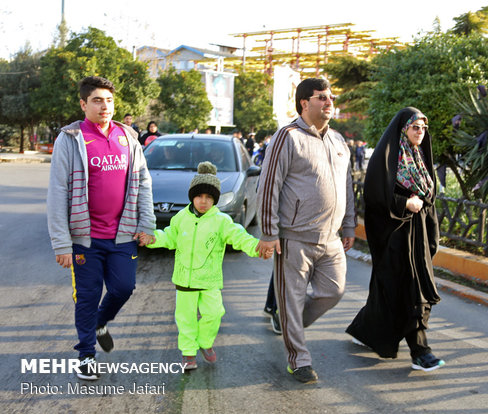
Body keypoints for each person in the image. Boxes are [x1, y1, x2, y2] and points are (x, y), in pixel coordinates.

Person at [47, 76, 156, 381]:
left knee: (124, 287)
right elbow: (58, 191)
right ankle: (86, 355)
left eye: (108, 100)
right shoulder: (70, 139)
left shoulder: (127, 136)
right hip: (85, 239)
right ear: (83, 104)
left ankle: (100, 322)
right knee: (87, 295)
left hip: (123, 235)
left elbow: (144, 182)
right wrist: (61, 243)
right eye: (97, 100)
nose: (104, 106)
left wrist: (146, 224)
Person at [256, 78, 356, 383]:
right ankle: (298, 359)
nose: (329, 102)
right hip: (294, 237)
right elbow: (268, 185)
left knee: (333, 291)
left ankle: (288, 320)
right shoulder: (287, 137)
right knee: (292, 298)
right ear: (304, 103)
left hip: (331, 239)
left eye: (331, 97)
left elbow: (347, 187)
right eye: (322, 98)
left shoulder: (338, 141)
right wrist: (269, 233)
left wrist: (349, 223)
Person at [141, 161, 271, 369]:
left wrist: (256, 247)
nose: (203, 201)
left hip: (209, 280)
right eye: (199, 196)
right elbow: (170, 237)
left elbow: (239, 237)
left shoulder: (221, 221)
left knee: (214, 313)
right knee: (185, 318)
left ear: (215, 200)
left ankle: (205, 342)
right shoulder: (181, 217)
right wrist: (152, 239)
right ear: (192, 196)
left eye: (209, 197)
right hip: (184, 279)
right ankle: (188, 352)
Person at [346, 107, 445, 372]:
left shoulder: (420, 156)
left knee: (390, 288)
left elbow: (429, 197)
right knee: (410, 289)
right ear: (403, 129)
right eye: (415, 127)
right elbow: (376, 197)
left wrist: (429, 223)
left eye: (424, 128)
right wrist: (404, 203)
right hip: (395, 235)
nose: (420, 132)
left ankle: (366, 329)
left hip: (419, 234)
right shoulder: (388, 158)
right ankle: (420, 350)